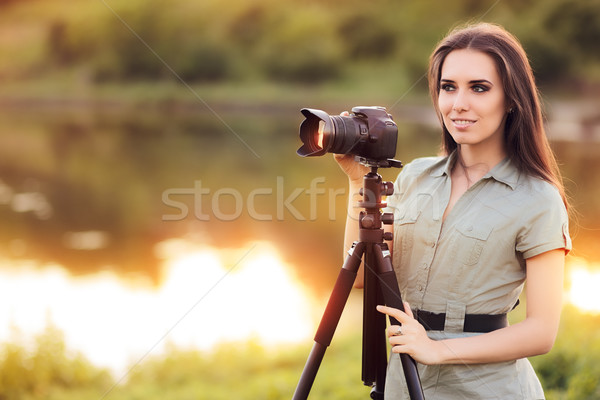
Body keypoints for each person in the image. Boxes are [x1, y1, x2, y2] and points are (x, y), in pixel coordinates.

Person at [335, 22, 571, 399]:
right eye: (448, 87)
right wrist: (355, 182)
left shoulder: (537, 198)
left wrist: (437, 349)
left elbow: (541, 332)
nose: (458, 103)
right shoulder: (413, 177)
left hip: (487, 389)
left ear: (512, 99)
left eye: (479, 88)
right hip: (404, 381)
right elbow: (364, 279)